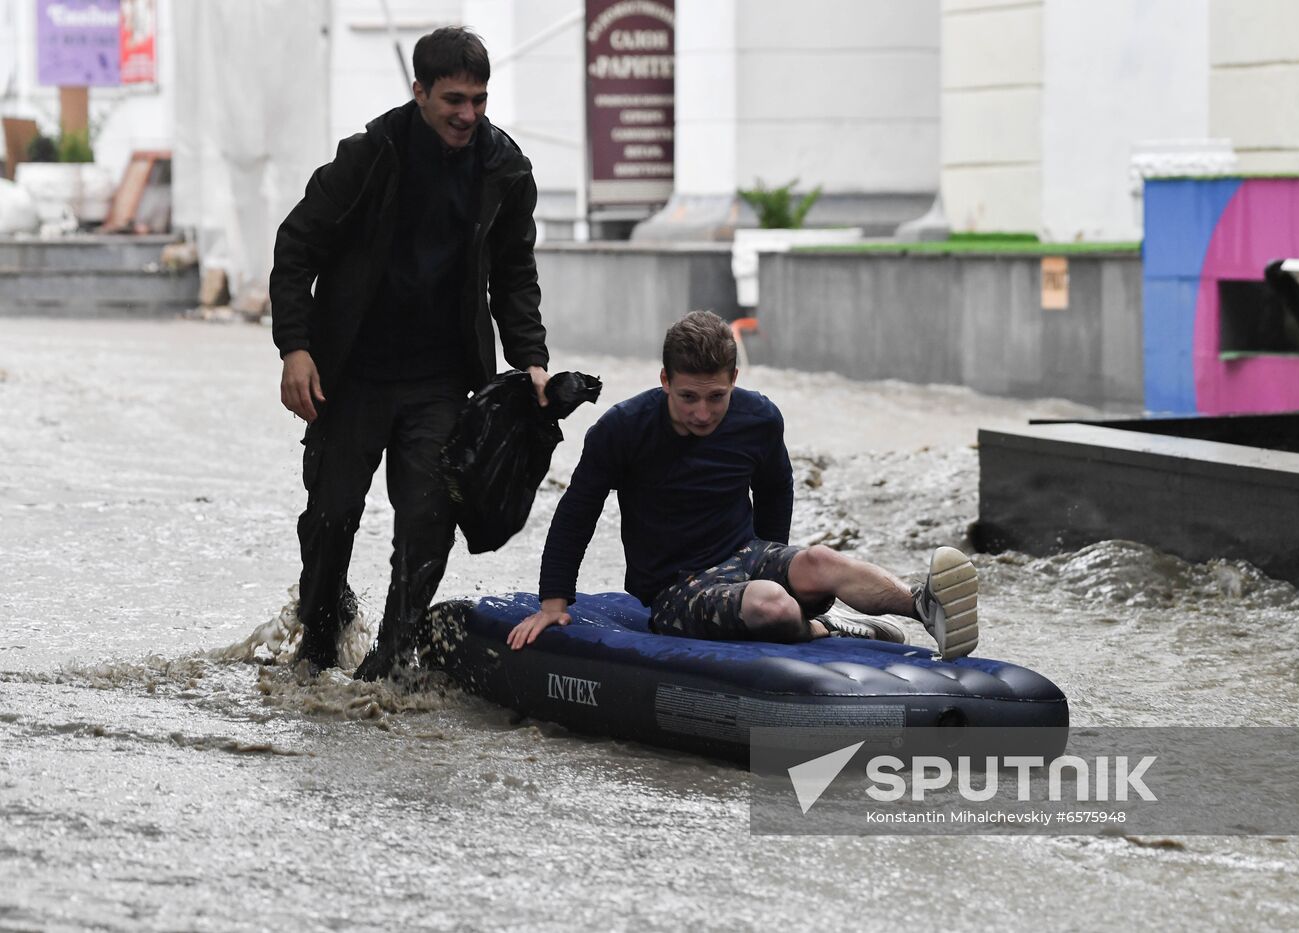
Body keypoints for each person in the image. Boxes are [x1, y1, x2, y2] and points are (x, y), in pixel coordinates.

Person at [270, 27, 550, 679]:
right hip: (351, 376)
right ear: (418, 91)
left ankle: (392, 658)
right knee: (332, 515)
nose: (467, 115)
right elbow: (295, 248)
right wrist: (296, 348)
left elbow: (514, 275)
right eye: (453, 99)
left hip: (443, 379)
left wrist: (530, 358)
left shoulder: (505, 169)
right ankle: (315, 647)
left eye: (479, 100)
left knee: (428, 517)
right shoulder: (369, 156)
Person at [506, 311, 980, 657]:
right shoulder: (621, 429)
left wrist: (783, 562)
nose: (703, 413)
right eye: (688, 397)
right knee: (772, 604)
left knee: (821, 560)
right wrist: (553, 602)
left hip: (745, 555)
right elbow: (577, 510)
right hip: (676, 589)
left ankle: (925, 605)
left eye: (717, 397)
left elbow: (776, 488)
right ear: (665, 380)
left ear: (734, 378)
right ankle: (824, 630)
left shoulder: (758, 417)